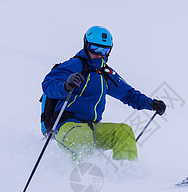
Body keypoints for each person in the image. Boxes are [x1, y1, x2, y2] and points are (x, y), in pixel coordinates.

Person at [41, 26, 166, 162]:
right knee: (83, 143)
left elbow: (128, 94)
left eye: (105, 50)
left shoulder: (105, 73)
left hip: (92, 127)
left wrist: (151, 103)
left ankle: (127, 175)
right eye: (96, 49)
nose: (100, 54)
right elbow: (48, 84)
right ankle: (83, 180)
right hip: (67, 126)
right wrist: (65, 86)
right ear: (86, 45)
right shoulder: (75, 65)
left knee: (123, 132)